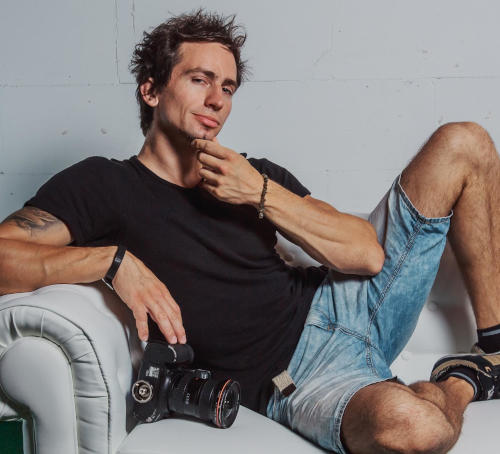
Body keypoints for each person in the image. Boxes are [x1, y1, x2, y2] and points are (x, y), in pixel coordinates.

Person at [0, 9, 499, 454]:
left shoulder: (252, 173)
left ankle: (495, 345)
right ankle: (463, 380)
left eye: (228, 87)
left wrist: (259, 191)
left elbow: (366, 255)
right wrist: (111, 263)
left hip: (348, 301)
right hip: (294, 376)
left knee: (464, 142)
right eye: (199, 79)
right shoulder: (104, 184)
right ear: (151, 90)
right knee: (414, 428)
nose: (216, 99)